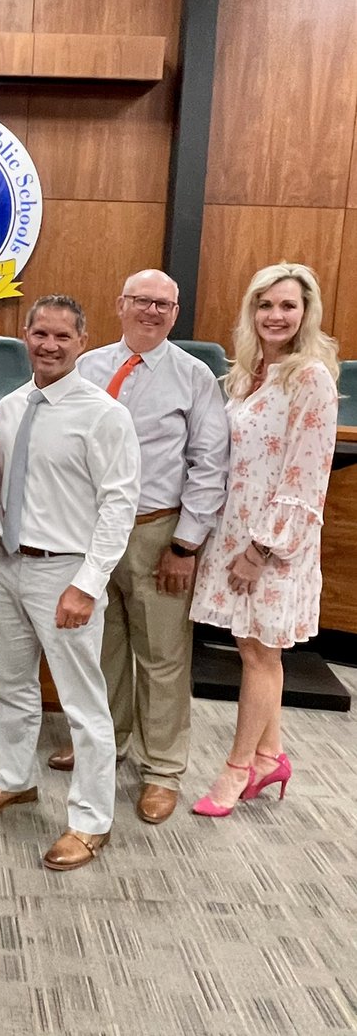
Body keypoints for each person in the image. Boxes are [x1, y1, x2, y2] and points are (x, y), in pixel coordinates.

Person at [0, 294, 139, 872]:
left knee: (84, 705)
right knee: (8, 685)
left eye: (64, 336)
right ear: (25, 335)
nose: (51, 345)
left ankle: (91, 822)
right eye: (41, 334)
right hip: (8, 565)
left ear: (83, 342)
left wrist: (87, 584)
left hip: (66, 570)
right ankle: (15, 779)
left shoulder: (103, 413)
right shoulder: (11, 406)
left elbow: (119, 505)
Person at [48, 269, 229, 825]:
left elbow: (210, 462)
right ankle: (109, 741)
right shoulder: (88, 365)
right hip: (90, 532)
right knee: (101, 650)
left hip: (157, 533)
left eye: (163, 304)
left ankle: (163, 771)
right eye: (141, 301)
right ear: (120, 304)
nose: (151, 311)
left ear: (175, 314)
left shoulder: (194, 376)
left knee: (163, 658)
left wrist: (186, 544)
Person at [190, 263, 338, 815]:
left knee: (259, 655)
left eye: (287, 306)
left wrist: (261, 550)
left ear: (306, 312)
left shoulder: (310, 379)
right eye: (266, 305)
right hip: (235, 531)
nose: (276, 316)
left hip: (274, 543)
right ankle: (272, 754)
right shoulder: (248, 373)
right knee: (251, 647)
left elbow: (305, 476)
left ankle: (237, 771)